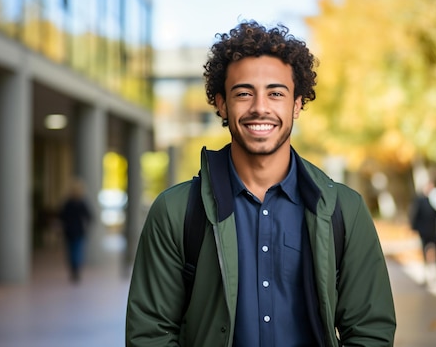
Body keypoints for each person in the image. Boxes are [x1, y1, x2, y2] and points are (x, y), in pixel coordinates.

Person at [126, 21, 396, 346]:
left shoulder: (344, 210)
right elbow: (149, 334)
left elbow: (370, 330)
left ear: (297, 104)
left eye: (276, 93)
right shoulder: (175, 212)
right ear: (221, 103)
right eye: (243, 93)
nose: (260, 107)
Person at [409, 180, 436, 282]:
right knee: (424, 250)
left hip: (435, 230)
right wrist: (414, 227)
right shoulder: (420, 200)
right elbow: (414, 214)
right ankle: (426, 272)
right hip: (423, 230)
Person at [58, 179, 92, 283]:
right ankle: (75, 269)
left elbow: (62, 216)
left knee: (73, 251)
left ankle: (74, 269)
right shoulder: (79, 203)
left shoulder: (70, 203)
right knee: (76, 251)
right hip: (75, 231)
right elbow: (89, 216)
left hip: (71, 231)